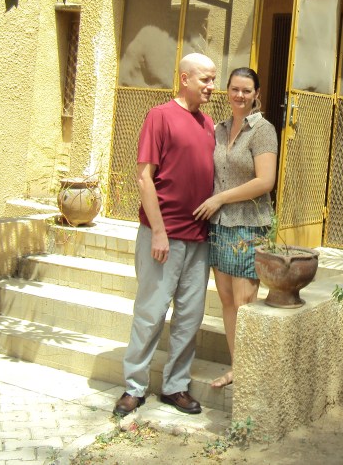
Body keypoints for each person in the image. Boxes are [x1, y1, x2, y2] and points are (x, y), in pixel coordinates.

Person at [113, 52, 217, 417]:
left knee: (189, 318)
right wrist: (158, 231)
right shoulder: (159, 116)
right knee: (151, 313)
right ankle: (134, 387)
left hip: (199, 240)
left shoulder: (208, 123)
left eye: (213, 79)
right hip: (163, 238)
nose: (211, 86)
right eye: (205, 79)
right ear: (185, 78)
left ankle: (175, 386)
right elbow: (145, 177)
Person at [193, 67, 278, 389]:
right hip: (219, 224)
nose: (240, 95)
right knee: (227, 300)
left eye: (246, 90)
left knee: (245, 302)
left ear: (256, 94)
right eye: (235, 89)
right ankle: (237, 368)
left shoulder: (263, 130)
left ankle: (251, 373)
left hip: (248, 224)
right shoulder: (219, 129)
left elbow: (265, 181)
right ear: (227, 91)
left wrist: (220, 198)